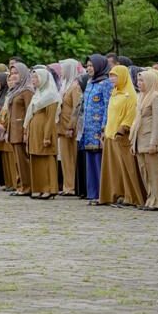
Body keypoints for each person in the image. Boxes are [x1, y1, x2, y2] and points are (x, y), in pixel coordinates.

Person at [99, 65, 145, 207]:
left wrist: (122, 128)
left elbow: (130, 115)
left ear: (123, 76)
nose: (112, 78)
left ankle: (130, 196)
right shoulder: (115, 92)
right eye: (111, 75)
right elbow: (111, 113)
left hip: (121, 136)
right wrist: (105, 129)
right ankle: (115, 194)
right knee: (114, 169)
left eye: (115, 76)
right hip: (110, 135)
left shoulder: (130, 95)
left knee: (126, 168)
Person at [24, 69, 61, 200]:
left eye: (36, 78)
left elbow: (50, 118)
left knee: (47, 160)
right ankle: (39, 187)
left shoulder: (51, 96)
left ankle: (49, 188)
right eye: (32, 78)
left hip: (45, 131)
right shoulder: (38, 94)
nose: (34, 81)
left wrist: (47, 136)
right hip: (35, 131)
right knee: (36, 158)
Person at [132, 69, 158, 211]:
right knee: (144, 171)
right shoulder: (141, 96)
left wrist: (154, 142)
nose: (139, 83)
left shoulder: (156, 97)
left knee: (154, 173)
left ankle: (157, 201)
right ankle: (149, 199)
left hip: (150, 139)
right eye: (138, 80)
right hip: (139, 139)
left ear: (150, 81)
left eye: (142, 80)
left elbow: (157, 122)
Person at [82, 55, 112, 205]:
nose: (89, 68)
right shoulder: (89, 83)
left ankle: (103, 194)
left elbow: (108, 106)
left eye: (91, 66)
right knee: (90, 161)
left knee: (99, 161)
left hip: (98, 129)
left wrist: (104, 127)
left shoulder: (106, 83)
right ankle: (92, 193)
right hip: (88, 129)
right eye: (87, 66)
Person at [3, 63, 34, 197]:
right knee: (17, 160)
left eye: (16, 73)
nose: (14, 76)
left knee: (23, 160)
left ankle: (27, 186)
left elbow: (29, 111)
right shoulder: (15, 90)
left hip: (21, 129)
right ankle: (20, 184)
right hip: (13, 129)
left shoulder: (27, 91)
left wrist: (26, 131)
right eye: (12, 74)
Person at [56, 59, 82, 196]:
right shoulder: (64, 85)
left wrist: (71, 126)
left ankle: (71, 186)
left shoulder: (75, 86)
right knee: (65, 158)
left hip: (69, 128)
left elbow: (76, 108)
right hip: (61, 127)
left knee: (71, 157)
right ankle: (67, 185)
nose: (61, 71)